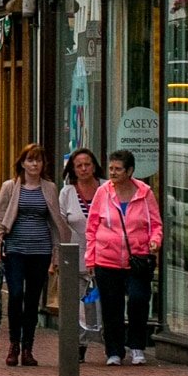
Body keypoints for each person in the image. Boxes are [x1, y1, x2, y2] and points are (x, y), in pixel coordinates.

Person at [86, 147, 163, 366]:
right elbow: (92, 227)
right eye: (111, 168)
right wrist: (90, 259)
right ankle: (114, 351)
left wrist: (155, 240)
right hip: (106, 258)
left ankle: (137, 347)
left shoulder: (145, 193)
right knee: (112, 307)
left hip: (137, 259)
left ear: (130, 171)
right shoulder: (103, 192)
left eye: (118, 169)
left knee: (139, 300)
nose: (113, 173)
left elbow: (156, 224)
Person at [0, 145, 67, 367]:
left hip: (41, 250)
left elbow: (54, 221)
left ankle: (28, 348)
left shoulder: (50, 188)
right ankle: (14, 343)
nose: (34, 164)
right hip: (16, 249)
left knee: (33, 298)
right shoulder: (10, 187)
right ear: (22, 163)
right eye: (30, 160)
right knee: (16, 294)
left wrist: (56, 253)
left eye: (39, 160)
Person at [59, 147, 105, 355]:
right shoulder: (67, 192)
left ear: (94, 166)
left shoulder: (106, 189)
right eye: (79, 166)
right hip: (75, 254)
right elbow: (60, 224)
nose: (84, 169)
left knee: (105, 301)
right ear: (73, 169)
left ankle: (110, 344)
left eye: (88, 164)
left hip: (105, 254)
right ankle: (78, 345)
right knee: (75, 303)